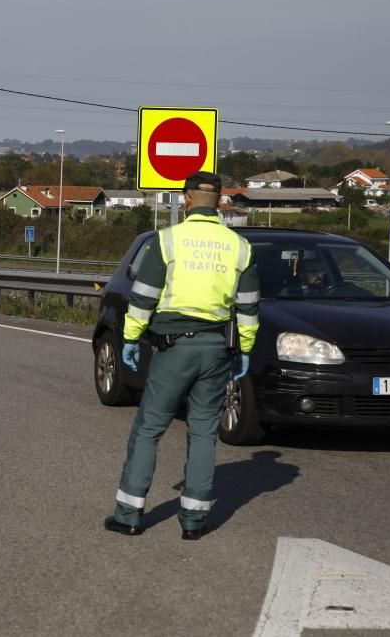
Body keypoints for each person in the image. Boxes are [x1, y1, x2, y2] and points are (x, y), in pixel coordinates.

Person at [104, 171, 260, 541]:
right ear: (221, 201)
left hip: (174, 347)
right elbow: (249, 308)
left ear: (187, 199)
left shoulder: (167, 241)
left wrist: (130, 338)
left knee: (150, 428)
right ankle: (194, 521)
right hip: (217, 348)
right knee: (204, 431)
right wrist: (246, 349)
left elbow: (143, 296)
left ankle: (129, 514)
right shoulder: (240, 247)